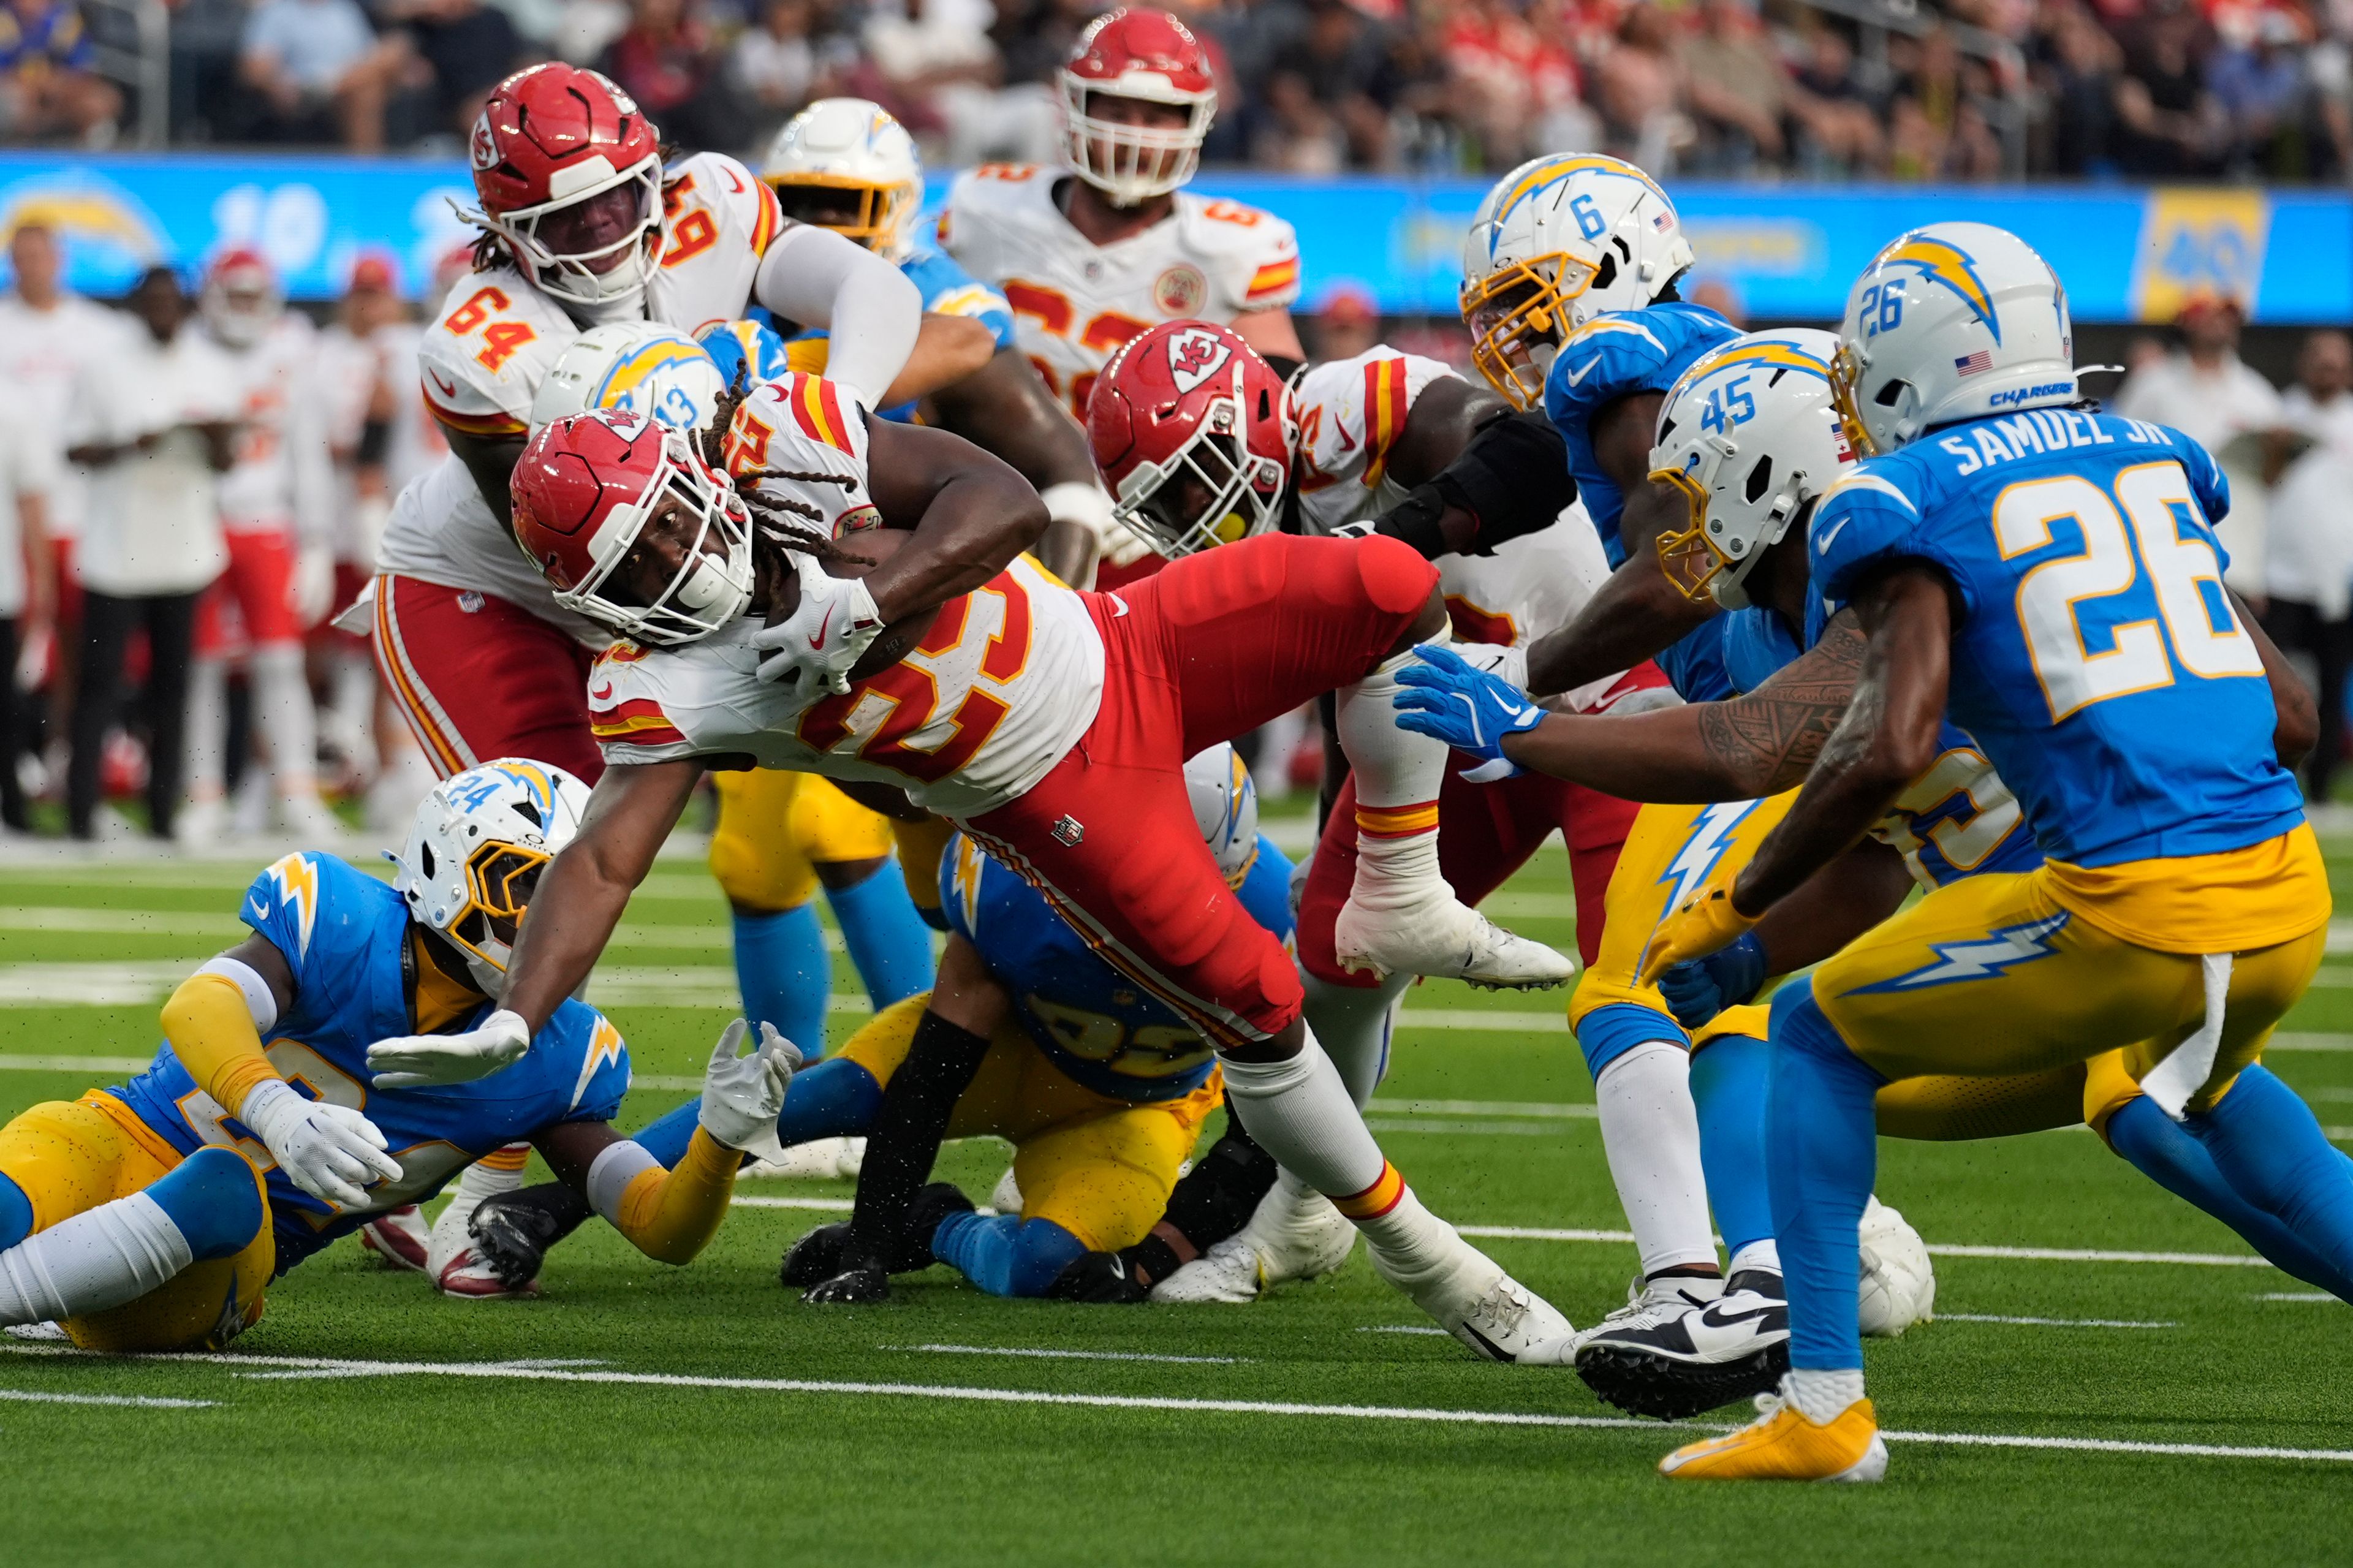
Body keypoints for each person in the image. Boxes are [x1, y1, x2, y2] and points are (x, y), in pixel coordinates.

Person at [365, 387, 1579, 1357]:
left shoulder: (785, 436)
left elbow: (994, 496)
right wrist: (517, 1016)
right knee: (1261, 1009)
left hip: (1127, 642)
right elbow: (604, 857)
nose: (675, 562)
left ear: (701, 475)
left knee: (1386, 584)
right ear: (595, 601)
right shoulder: (670, 682)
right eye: (635, 569)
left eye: (674, 521)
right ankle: (1433, 1258)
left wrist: (873, 598)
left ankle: (1397, 878)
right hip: (1059, 796)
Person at [1398, 323, 2353, 1316]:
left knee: (1806, 1043)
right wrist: (1751, 945)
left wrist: (1527, 727)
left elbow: (1753, 741)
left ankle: (1778, 1324)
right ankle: (1786, 1314)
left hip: (2103, 904)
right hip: (2128, 903)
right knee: (2160, 1110)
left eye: (1692, 488)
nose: (1679, 530)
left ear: (1775, 470)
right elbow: (1881, 855)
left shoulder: (1904, 559)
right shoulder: (1804, 609)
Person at [1635, 223, 2344, 1481]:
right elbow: (2292, 714)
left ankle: (1825, 1406)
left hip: (2133, 909)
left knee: (1811, 1033)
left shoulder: (1903, 499)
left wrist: (1742, 904)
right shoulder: (2151, 458)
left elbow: (1889, 744)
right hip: (2288, 897)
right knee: (2173, 1098)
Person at [1085, 316, 1661, 1298]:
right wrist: (1334, 834)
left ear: (1254, 416)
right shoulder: (1257, 517)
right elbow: (1341, 680)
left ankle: (1749, 1258)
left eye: (1196, 474)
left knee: (1648, 990)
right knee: (1334, 956)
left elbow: (1528, 452)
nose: (1195, 510)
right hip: (1458, 727)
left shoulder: (1343, 407)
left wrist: (1381, 548)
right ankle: (1305, 1211)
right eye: (1165, 500)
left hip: (1603, 703)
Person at [461, 744, 1316, 1304]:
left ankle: (936, 1225)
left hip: (1131, 1109)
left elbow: (1265, 1133)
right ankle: (566, 1200)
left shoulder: (1282, 921)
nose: (1159, 907)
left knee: (1045, 1270)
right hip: (1010, 1051)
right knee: (826, 1091)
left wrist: (1159, 1255)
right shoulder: (1021, 884)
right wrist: (864, 1243)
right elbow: (932, 1075)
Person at [0, 759, 793, 1350]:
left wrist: (718, 1144)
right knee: (37, 1158)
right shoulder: (342, 915)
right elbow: (198, 1003)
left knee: (224, 1188)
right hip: (120, 1134)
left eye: (565, 892)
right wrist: (275, 1109)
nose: (549, 916)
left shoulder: (556, 1054)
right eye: (526, 885)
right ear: (449, 866)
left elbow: (663, 1227)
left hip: (217, 1258)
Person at [1449, 152, 1796, 1417]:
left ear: (1608, 271)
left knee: (1633, 982)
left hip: (1777, 703)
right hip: (1792, 703)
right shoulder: (1690, 363)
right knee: (1726, 982)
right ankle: (1775, 1269)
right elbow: (1511, 482)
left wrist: (1525, 681)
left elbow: (1677, 566)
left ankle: (1711, 1277)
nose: (1515, 341)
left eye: (1530, 306)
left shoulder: (1639, 366)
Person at [369, 61, 949, 789]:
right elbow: (569, 550)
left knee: (909, 776)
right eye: (565, 216)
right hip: (500, 593)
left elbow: (871, 285)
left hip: (671, 572)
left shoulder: (710, 199)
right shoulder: (479, 348)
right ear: (506, 232)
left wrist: (835, 418)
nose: (603, 222)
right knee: (540, 838)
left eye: (619, 193)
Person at [938, 7, 1303, 583]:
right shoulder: (986, 208)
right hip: (994, 489)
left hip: (1150, 527)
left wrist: (1185, 496)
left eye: (1159, 116)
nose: (1135, 130)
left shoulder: (1233, 246)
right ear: (1075, 108)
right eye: (1118, 109)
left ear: (1195, 121)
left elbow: (1276, 413)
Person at [66, 267, 239, 843]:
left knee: (174, 687)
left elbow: (228, 461)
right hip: (116, 548)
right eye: (154, 301)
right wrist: (130, 443)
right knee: (98, 683)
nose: (164, 310)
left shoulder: (211, 367)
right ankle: (80, 811)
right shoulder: (103, 366)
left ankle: (163, 812)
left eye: (173, 301)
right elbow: (74, 446)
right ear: (138, 306)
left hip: (185, 547)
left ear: (186, 307)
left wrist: (213, 433)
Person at [186, 247, 339, 842]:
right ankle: (203, 793)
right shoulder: (188, 352)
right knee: (200, 668)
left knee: (280, 665)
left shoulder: (291, 356)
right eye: (236, 295)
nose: (245, 308)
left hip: (268, 524)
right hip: (196, 526)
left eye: (254, 296)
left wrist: (318, 541)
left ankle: (296, 790)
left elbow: (308, 455)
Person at [0, 219, 131, 767]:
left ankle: (67, 752)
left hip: (84, 511)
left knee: (84, 644)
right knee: (19, 639)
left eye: (42, 254)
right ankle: (20, 753)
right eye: (21, 255)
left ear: (60, 259)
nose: (33, 265)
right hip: (15, 516)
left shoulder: (101, 331)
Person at [2112, 292, 2287, 600]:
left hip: (2236, 560)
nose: (2219, 324)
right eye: (2208, 315)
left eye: (2226, 317)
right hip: (2161, 547)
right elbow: (2116, 451)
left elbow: (2271, 483)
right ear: (2187, 323)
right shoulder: (2153, 384)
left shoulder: (2257, 393)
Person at [2262, 330, 2353, 799]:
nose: (2328, 370)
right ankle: (2278, 782)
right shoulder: (2277, 415)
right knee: (2274, 690)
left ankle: (2322, 792)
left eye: (2337, 362)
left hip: (2336, 581)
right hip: (2279, 577)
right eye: (2321, 360)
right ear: (2303, 364)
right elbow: (2257, 487)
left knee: (2334, 688)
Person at [0, 382, 56, 831]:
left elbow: (32, 500)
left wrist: (43, 579)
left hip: (3, 584)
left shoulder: (13, 403)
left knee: (7, 704)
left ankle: (13, 809)